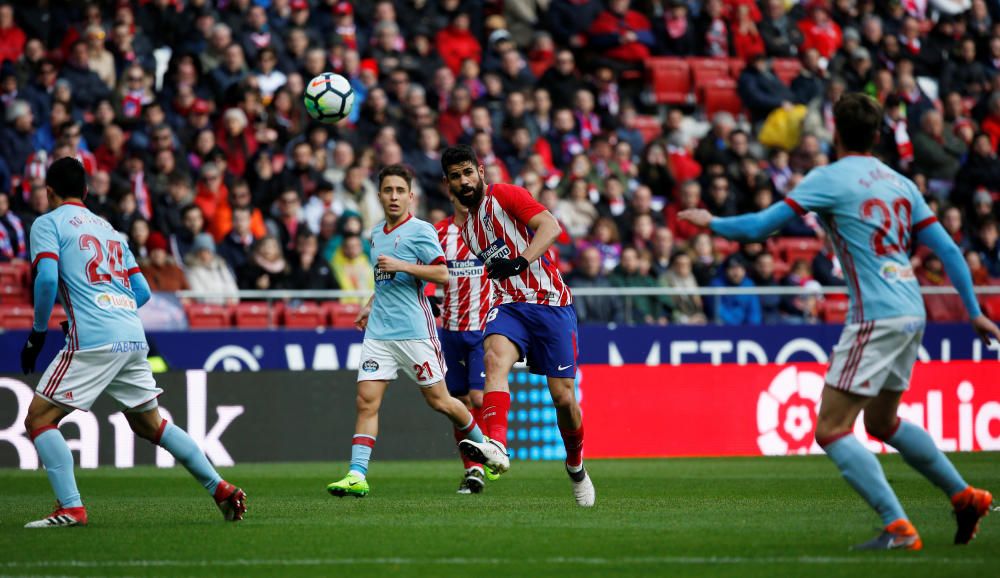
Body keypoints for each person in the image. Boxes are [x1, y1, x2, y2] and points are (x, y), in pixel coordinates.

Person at [680, 93, 999, 550]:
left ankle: (898, 526)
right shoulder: (899, 182)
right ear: (875, 135)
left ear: (835, 130)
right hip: (912, 311)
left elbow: (758, 228)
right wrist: (974, 312)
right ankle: (965, 495)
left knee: (830, 428)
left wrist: (710, 220)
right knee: (883, 423)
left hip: (876, 316)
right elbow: (949, 251)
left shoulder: (828, 179)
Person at [19, 157, 246, 528]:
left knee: (39, 419)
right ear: (88, 192)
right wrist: (112, 308)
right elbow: (141, 291)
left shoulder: (47, 223)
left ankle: (71, 508)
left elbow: (46, 280)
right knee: (150, 424)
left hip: (94, 336)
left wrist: (38, 332)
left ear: (48, 192)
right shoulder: (110, 230)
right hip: (132, 334)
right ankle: (219, 487)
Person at [442, 144, 595, 507]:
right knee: (494, 356)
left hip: (550, 304)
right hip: (509, 306)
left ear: (480, 171)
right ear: (447, 184)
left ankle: (576, 467)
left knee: (563, 399)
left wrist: (521, 261)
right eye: (455, 177)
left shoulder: (505, 194)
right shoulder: (468, 232)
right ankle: (497, 444)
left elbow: (550, 226)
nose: (464, 181)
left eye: (467, 172)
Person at [326, 165, 484, 499]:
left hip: (415, 331)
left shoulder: (421, 230)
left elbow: (442, 275)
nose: (394, 196)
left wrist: (402, 266)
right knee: (366, 402)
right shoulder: (375, 234)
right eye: (388, 190)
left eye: (400, 191)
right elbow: (385, 282)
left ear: (410, 196)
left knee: (441, 401)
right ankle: (356, 474)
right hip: (380, 332)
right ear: (380, 195)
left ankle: (485, 448)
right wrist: (370, 303)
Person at [435, 191, 494, 494]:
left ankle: (485, 456)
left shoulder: (487, 231)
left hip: (481, 329)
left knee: (479, 398)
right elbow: (426, 273)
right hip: (449, 332)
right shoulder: (439, 232)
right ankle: (473, 470)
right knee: (458, 404)